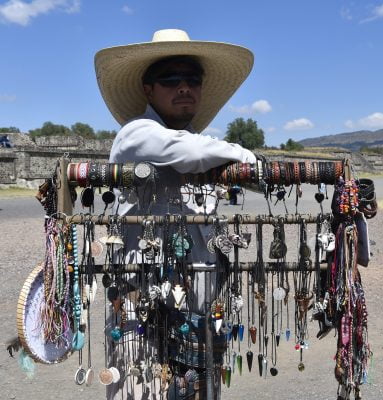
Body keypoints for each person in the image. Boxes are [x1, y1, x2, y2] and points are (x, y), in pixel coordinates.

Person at [95, 29, 257, 399]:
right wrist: (243, 154)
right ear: (148, 89)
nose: (184, 86)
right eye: (170, 78)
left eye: (192, 79)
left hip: (199, 317)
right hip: (141, 314)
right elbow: (184, 152)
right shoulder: (136, 134)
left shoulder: (207, 149)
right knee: (140, 392)